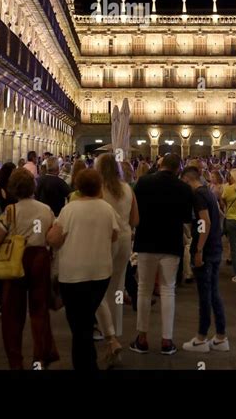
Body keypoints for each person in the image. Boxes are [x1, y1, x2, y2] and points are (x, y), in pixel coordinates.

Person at [47, 169, 119, 371]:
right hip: (100, 273)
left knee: (78, 324)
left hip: (73, 274)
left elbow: (53, 239)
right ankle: (90, 362)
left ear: (78, 186)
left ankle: (85, 365)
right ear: (99, 186)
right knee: (85, 319)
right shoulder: (106, 208)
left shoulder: (70, 209)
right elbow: (114, 236)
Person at [0, 169, 59, 369]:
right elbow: (52, 235)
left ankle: (16, 361)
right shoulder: (45, 209)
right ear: (33, 186)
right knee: (39, 311)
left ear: (13, 189)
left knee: (13, 313)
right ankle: (40, 357)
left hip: (17, 260)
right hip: (40, 258)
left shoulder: (11, 211)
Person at [130, 152, 193, 356]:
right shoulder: (183, 188)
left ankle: (142, 339)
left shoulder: (143, 183)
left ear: (161, 164)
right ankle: (167, 341)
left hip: (146, 241)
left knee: (143, 289)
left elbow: (135, 212)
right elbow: (186, 217)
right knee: (168, 290)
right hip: (170, 243)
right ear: (178, 168)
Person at [95, 153, 139, 366]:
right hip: (124, 239)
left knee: (98, 287)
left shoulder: (98, 190)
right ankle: (116, 332)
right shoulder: (128, 189)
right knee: (117, 287)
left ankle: (108, 334)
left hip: (104, 239)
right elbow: (136, 219)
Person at [181, 166, 229, 353]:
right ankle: (220, 337)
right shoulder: (208, 192)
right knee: (214, 293)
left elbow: (204, 222)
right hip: (215, 248)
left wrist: (199, 249)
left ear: (186, 180)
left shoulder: (198, 195)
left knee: (205, 295)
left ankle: (201, 338)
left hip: (206, 251)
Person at [0, 161, 17, 317]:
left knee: (1, 268)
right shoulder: (14, 190)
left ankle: (2, 303)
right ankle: (9, 303)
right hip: (12, 231)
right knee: (11, 267)